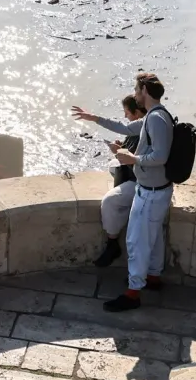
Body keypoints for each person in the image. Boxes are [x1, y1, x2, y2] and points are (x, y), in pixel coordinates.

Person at [102, 72, 173, 312]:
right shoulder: (157, 115)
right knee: (153, 238)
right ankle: (152, 277)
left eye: (136, 90)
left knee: (136, 241)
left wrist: (132, 158)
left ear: (144, 91)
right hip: (156, 189)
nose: (134, 94)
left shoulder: (155, 119)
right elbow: (123, 126)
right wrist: (92, 117)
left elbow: (160, 157)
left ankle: (133, 293)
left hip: (151, 192)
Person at [70, 96, 147, 266]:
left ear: (137, 112)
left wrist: (119, 151)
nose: (125, 116)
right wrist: (121, 149)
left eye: (127, 112)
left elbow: (141, 160)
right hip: (134, 174)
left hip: (142, 181)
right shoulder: (140, 127)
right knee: (113, 165)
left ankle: (112, 243)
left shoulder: (144, 127)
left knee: (110, 201)